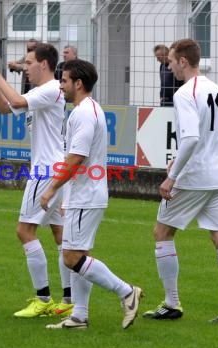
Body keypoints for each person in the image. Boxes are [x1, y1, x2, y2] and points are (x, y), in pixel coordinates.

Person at [143, 39, 218, 324]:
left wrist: (172, 176)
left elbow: (190, 137)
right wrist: (178, 158)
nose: (170, 66)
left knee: (162, 233)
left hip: (194, 177)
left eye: (172, 61)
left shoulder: (185, 92)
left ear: (184, 61)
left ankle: (172, 303)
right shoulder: (215, 88)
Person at [41, 59, 143, 330]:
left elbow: (76, 157)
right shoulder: (87, 110)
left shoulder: (84, 113)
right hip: (83, 194)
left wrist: (52, 189)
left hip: (86, 194)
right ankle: (80, 316)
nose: (60, 86)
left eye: (64, 81)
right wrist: (65, 197)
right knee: (79, 254)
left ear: (78, 83)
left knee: (71, 257)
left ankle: (126, 292)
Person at [0, 43, 73, 318]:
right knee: (61, 235)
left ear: (44, 64)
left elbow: (17, 102)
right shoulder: (39, 92)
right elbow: (4, 107)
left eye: (28, 63)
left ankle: (43, 298)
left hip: (46, 171)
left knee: (25, 232)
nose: (25, 68)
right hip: (56, 169)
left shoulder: (50, 89)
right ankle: (68, 299)